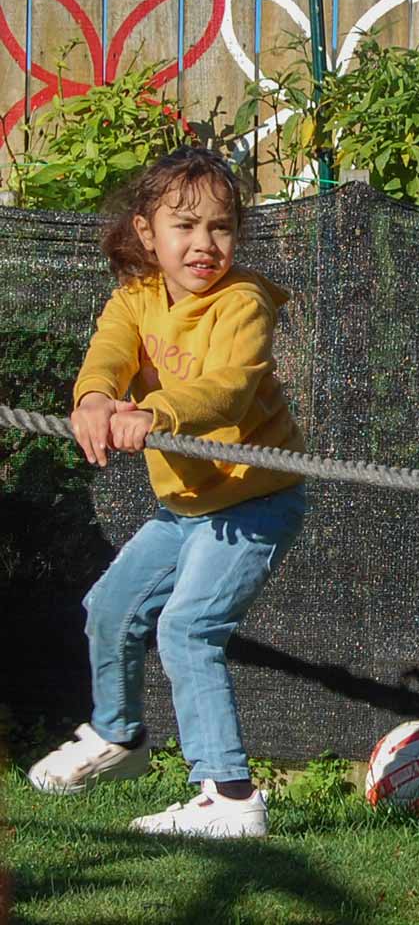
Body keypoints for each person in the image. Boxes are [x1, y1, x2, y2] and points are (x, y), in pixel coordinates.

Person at [27, 147, 307, 839]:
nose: (204, 245)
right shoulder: (136, 298)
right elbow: (109, 356)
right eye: (185, 226)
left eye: (221, 227)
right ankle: (118, 739)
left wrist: (155, 414)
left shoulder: (241, 302)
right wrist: (94, 398)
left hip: (251, 499)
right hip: (183, 506)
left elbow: (229, 390)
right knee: (110, 608)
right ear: (147, 232)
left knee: (188, 628)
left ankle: (231, 798)